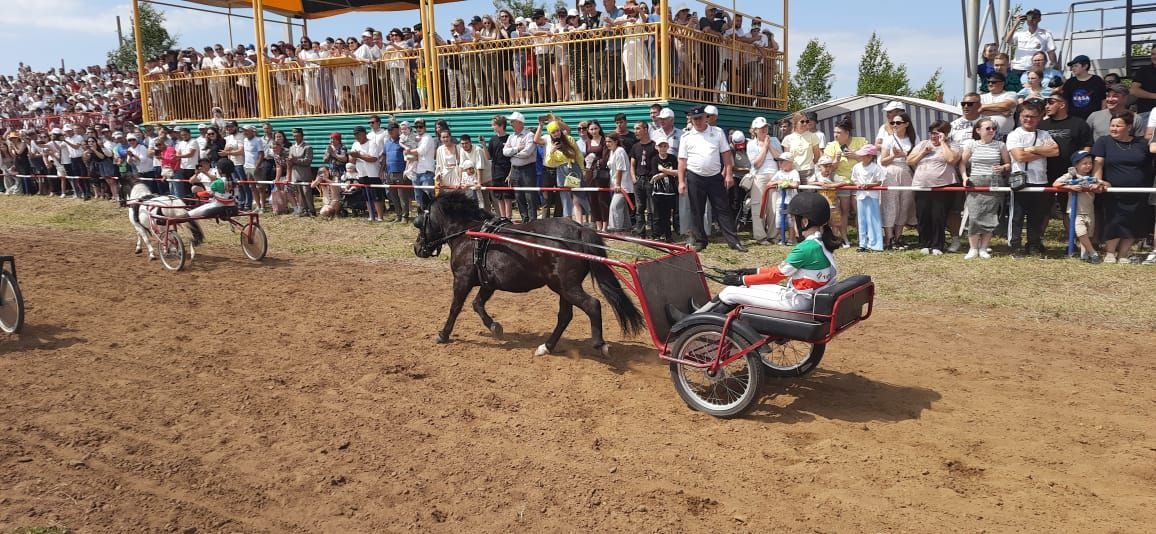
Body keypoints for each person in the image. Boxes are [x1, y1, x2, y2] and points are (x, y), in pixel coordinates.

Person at [708, 193, 840, 313]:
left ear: (804, 222)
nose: (792, 223)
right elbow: (779, 271)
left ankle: (697, 321)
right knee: (746, 288)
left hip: (796, 302)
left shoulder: (806, 248)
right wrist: (752, 271)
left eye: (793, 220)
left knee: (729, 293)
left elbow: (777, 276)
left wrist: (741, 279)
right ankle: (702, 314)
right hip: (806, 298)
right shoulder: (821, 242)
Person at [678, 106, 744, 252]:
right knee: (697, 211)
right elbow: (682, 160)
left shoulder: (718, 132)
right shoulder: (686, 137)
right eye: (695, 119)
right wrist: (681, 181)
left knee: (723, 209)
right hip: (694, 176)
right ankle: (701, 240)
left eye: (700, 118)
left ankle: (733, 241)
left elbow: (726, 154)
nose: (698, 121)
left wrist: (728, 173)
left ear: (706, 117)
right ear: (691, 120)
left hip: (715, 177)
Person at [1095, 111, 1150, 264]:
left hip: (1137, 192)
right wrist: (1098, 180)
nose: (1114, 128)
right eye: (1112, 125)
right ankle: (1110, 253)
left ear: (1129, 127)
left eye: (1118, 126)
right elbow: (1098, 162)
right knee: (1114, 221)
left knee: (1132, 222)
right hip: (1113, 192)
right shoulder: (1103, 141)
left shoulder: (1141, 144)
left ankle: (1124, 254)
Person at [1007, 99, 1060, 257]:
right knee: (1016, 217)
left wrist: (1033, 149)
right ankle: (1015, 246)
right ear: (1020, 116)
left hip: (1040, 180)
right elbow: (1019, 156)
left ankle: (1033, 244)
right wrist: (1042, 152)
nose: (1029, 119)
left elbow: (1056, 151)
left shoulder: (1044, 134)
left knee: (1036, 216)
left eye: (1033, 116)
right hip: (1020, 181)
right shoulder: (1014, 134)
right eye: (1025, 116)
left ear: (1039, 117)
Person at [907, 120, 960, 255]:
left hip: (942, 187)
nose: (933, 136)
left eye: (937, 133)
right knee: (923, 215)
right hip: (921, 185)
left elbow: (951, 160)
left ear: (945, 134)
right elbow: (909, 161)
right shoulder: (923, 144)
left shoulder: (952, 145)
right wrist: (923, 152)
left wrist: (943, 143)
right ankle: (925, 244)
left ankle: (937, 245)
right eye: (931, 133)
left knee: (938, 216)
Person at [960, 118, 1011, 260]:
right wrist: (965, 177)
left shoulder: (1001, 145)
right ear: (978, 130)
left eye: (993, 128)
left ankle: (983, 248)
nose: (991, 131)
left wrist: (1002, 167)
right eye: (988, 128)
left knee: (990, 215)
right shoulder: (972, 145)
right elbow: (962, 163)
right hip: (975, 182)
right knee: (974, 216)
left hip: (994, 182)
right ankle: (973, 248)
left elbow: (1008, 164)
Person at [823, 117, 868, 245]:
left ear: (847, 133)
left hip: (859, 180)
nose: (835, 135)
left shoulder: (861, 141)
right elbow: (827, 169)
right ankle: (844, 238)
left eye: (839, 132)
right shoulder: (831, 146)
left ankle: (862, 237)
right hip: (841, 181)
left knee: (859, 210)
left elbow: (869, 159)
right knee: (844, 211)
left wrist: (855, 155)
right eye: (834, 132)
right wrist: (836, 161)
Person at [1053, 151, 1104, 263]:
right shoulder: (1071, 175)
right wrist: (1070, 187)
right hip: (1075, 210)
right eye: (1084, 163)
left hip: (1089, 210)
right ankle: (1093, 253)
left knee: (1088, 234)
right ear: (1075, 165)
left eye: (1090, 163)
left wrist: (1098, 185)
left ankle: (1084, 256)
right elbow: (1056, 184)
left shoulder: (1092, 178)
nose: (1088, 166)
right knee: (1081, 232)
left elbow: (1106, 184)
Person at [879, 112, 917, 249]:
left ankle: (898, 236)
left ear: (906, 124)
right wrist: (894, 156)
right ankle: (889, 238)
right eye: (892, 123)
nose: (895, 125)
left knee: (904, 205)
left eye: (898, 123)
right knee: (890, 204)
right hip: (891, 172)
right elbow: (883, 161)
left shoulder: (914, 138)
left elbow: (917, 158)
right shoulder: (888, 139)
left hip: (907, 172)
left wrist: (904, 154)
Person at [746, 116, 783, 244]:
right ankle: (760, 236)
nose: (764, 129)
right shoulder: (751, 144)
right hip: (759, 176)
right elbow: (756, 163)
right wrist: (764, 147)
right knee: (758, 206)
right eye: (761, 128)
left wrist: (770, 146)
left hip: (774, 175)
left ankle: (774, 235)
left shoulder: (775, 140)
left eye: (766, 127)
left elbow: (780, 157)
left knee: (773, 206)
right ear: (754, 130)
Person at [503, 111, 539, 222]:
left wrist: (512, 154)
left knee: (530, 196)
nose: (511, 124)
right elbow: (504, 152)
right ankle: (524, 219)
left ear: (519, 122)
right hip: (515, 169)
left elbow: (527, 153)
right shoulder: (511, 137)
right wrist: (517, 149)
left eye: (512, 121)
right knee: (518, 196)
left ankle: (533, 220)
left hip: (528, 169)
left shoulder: (530, 135)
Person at [1004, 9, 1058, 79]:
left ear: (1039, 19)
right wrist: (1015, 24)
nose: (1032, 20)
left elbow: (1051, 53)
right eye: (1029, 17)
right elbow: (1007, 40)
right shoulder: (1019, 34)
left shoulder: (1046, 35)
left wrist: (1054, 67)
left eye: (1034, 17)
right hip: (1018, 69)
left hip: (1035, 70)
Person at [851, 144, 884, 252]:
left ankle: (875, 244)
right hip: (861, 196)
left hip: (872, 196)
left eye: (864, 155)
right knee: (862, 220)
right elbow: (854, 179)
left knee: (873, 219)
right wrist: (859, 184)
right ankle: (862, 244)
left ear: (870, 156)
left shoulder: (876, 167)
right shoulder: (857, 167)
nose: (861, 157)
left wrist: (869, 185)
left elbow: (879, 181)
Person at [349, 125, 385, 221]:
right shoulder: (355, 144)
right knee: (366, 196)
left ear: (364, 134)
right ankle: (371, 215)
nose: (356, 137)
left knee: (376, 196)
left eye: (358, 134)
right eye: (355, 135)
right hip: (362, 173)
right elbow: (351, 160)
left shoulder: (372, 143)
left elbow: (373, 158)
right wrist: (353, 156)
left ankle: (380, 217)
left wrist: (359, 156)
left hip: (373, 173)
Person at [649, 135, 679, 242]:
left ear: (667, 146)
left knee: (667, 215)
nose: (662, 148)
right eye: (660, 146)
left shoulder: (672, 158)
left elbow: (677, 172)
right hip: (658, 191)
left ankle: (668, 236)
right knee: (657, 214)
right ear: (657, 147)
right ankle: (656, 235)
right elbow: (654, 175)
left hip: (670, 191)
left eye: (664, 146)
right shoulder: (654, 159)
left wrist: (663, 171)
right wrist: (668, 171)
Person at [766, 152, 800, 243]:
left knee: (790, 219)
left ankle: (791, 239)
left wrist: (786, 183)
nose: (780, 164)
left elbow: (795, 184)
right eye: (780, 162)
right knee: (779, 219)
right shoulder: (779, 173)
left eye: (783, 162)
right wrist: (778, 182)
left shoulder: (794, 172)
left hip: (791, 199)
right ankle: (782, 238)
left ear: (790, 162)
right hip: (780, 199)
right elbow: (769, 183)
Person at [1062, 55, 1105, 120]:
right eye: (1072, 66)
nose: (1073, 68)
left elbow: (1103, 99)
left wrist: (1102, 116)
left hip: (1093, 119)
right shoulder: (1069, 82)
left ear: (1085, 66)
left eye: (1076, 66)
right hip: (1073, 119)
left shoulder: (1097, 80)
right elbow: (1065, 101)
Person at [487, 115, 515, 219]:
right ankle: (502, 218)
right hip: (496, 171)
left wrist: (510, 173)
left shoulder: (510, 138)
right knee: (499, 196)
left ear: (501, 126)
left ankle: (508, 218)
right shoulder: (493, 139)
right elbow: (488, 157)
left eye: (494, 125)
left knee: (507, 196)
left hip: (507, 170)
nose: (492, 127)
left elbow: (513, 157)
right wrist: (484, 145)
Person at [781, 111, 820, 182]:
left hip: (809, 172)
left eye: (807, 121)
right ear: (795, 123)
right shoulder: (788, 138)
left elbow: (817, 156)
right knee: (794, 193)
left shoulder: (813, 136)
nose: (805, 123)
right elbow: (787, 158)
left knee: (809, 193)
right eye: (802, 121)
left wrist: (809, 166)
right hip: (793, 172)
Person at [606, 132, 634, 231]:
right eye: (606, 142)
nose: (607, 144)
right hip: (615, 184)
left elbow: (620, 169)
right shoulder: (612, 152)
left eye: (610, 141)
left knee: (615, 207)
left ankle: (616, 229)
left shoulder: (620, 151)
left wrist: (618, 184)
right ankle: (626, 227)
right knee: (623, 207)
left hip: (623, 185)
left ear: (616, 142)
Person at [980, 72, 1018, 139]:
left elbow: (1006, 105)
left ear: (1002, 83)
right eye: (988, 82)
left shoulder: (1011, 94)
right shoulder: (981, 97)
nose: (990, 84)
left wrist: (984, 106)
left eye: (993, 82)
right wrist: (1000, 112)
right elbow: (979, 111)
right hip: (985, 136)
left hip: (1005, 136)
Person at [1129, 46, 1156, 114]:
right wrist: (1154, 96)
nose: (1154, 56)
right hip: (1147, 113)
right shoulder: (1144, 70)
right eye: (1153, 54)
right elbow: (1133, 90)